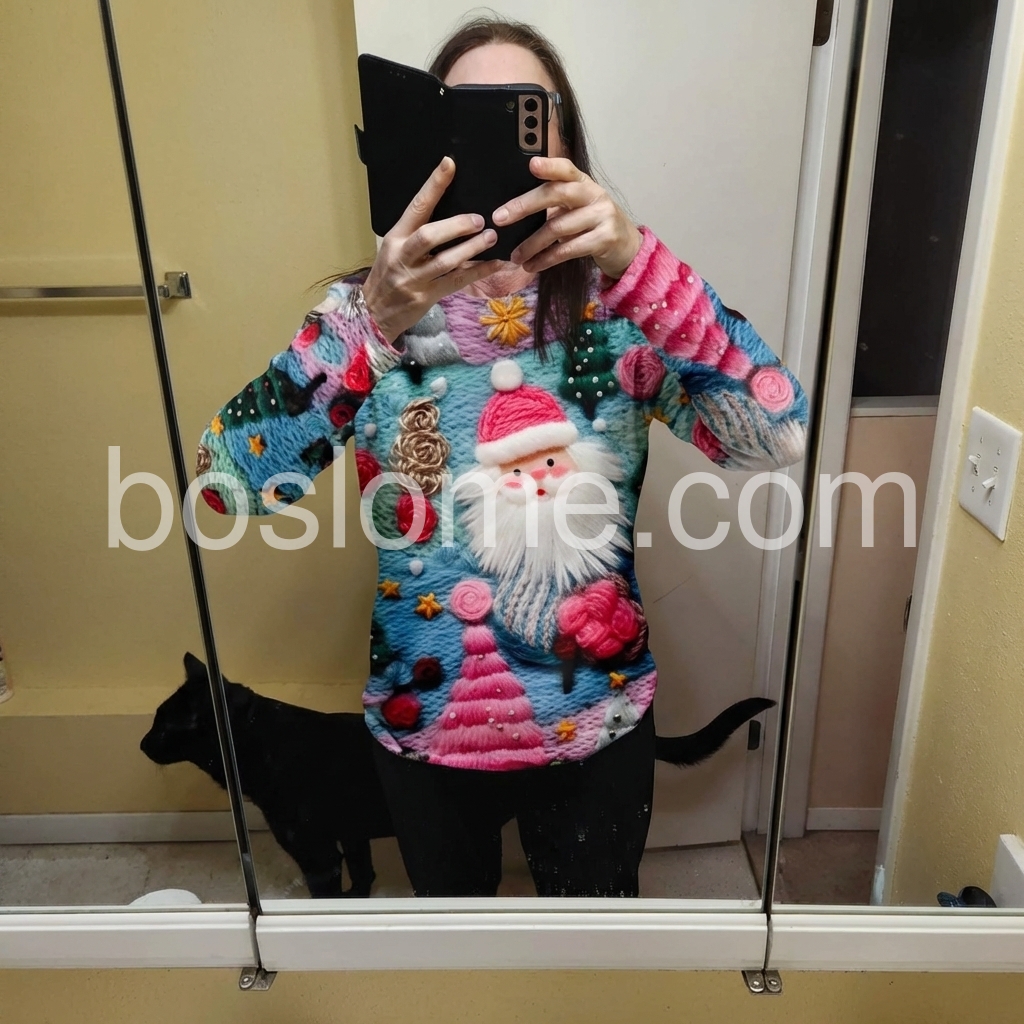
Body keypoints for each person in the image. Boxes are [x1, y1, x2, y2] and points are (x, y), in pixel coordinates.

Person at [197, 16, 808, 897]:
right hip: (424, 731)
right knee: (459, 961)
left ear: (565, 150)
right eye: (464, 115)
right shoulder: (369, 318)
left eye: (519, 114)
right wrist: (370, 322)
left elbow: (775, 434)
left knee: (591, 953)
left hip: (598, 725)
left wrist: (637, 261)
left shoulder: (626, 306)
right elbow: (231, 485)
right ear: (427, 148)